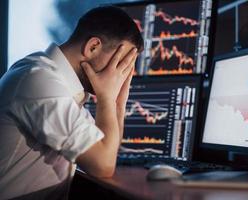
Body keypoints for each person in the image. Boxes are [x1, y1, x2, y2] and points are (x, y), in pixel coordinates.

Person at [0, 6, 143, 199]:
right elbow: (102, 165)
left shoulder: (66, 90)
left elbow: (107, 149)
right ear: (93, 47)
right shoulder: (38, 81)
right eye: (121, 62)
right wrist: (107, 99)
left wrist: (117, 104)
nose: (122, 73)